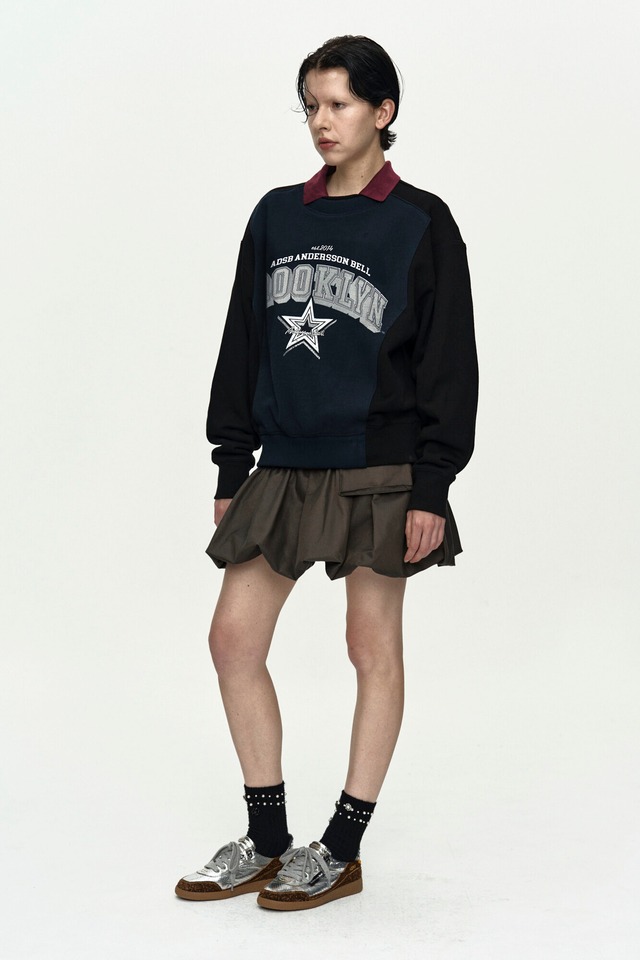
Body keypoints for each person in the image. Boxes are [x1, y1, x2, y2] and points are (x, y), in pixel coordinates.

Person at [175, 35, 478, 912]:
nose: (321, 121)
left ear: (383, 111)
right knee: (233, 640)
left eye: (339, 104)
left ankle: (340, 847)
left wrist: (433, 486)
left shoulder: (421, 221)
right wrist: (232, 461)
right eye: (311, 105)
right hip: (283, 462)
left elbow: (450, 364)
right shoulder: (277, 215)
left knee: (369, 647)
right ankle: (267, 837)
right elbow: (242, 341)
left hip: (380, 468)